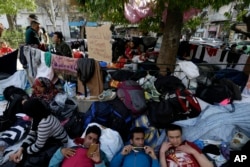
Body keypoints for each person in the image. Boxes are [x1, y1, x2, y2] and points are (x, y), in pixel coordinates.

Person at [7, 98, 68, 167]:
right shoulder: (38, 115)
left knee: (34, 157)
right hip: (50, 138)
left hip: (59, 142)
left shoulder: (44, 123)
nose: (27, 116)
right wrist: (21, 149)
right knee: (29, 149)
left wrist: (24, 152)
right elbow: (31, 134)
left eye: (27, 113)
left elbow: (38, 146)